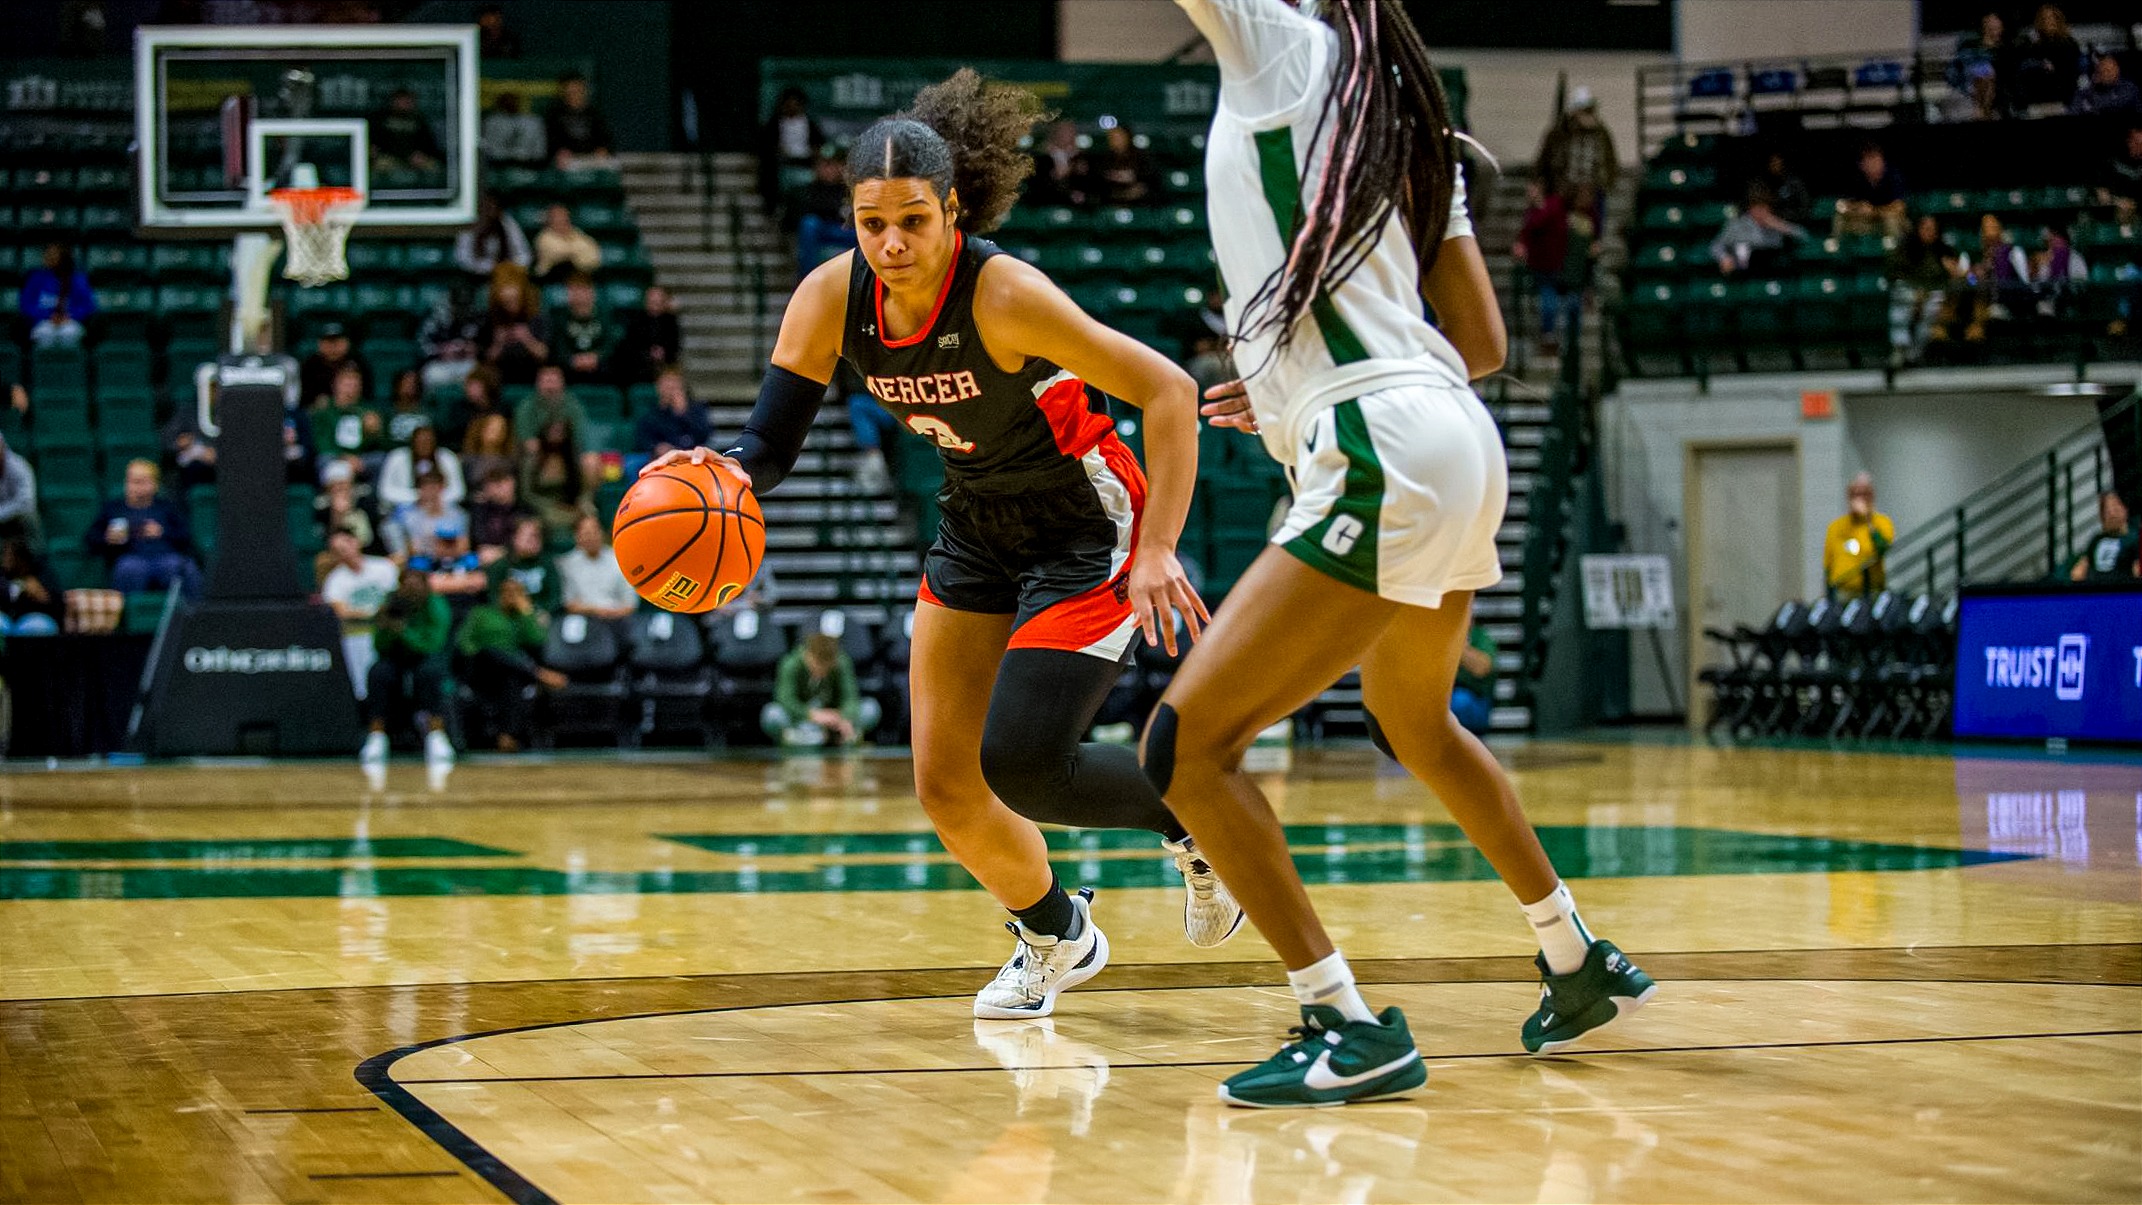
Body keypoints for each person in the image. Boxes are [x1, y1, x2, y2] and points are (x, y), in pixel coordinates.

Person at [642, 68, 1246, 1018]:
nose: (889, 241)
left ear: (952, 210)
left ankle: (1199, 816)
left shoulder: (1005, 295)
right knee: (944, 782)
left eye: (913, 220)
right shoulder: (828, 298)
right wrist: (716, 480)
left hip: (1087, 527)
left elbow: (1169, 390)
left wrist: (1162, 545)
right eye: (871, 219)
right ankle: (1058, 934)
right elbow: (768, 447)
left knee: (1024, 763)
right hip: (977, 523)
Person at [1152, 0, 1655, 1108]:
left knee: (1186, 750)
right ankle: (1574, 958)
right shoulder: (1408, 125)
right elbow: (1482, 344)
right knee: (1417, 719)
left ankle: (1344, 1018)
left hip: (1384, 444)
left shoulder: (1287, 49)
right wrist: (1295, 379)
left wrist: (1329, 381)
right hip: (1456, 435)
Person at [456, 575, 568, 751]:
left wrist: (526, 612)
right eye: (506, 592)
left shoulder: (521, 617)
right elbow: (464, 642)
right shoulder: (482, 613)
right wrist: (475, 652)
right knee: (492, 652)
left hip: (511, 672)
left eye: (515, 592)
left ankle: (507, 736)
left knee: (512, 679)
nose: (510, 596)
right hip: (481, 669)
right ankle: (538, 674)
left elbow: (537, 642)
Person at [359, 567, 456, 769]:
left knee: (430, 673)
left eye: (416, 585)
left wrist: (404, 632)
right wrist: (387, 626)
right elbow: (379, 646)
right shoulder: (391, 604)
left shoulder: (435, 604)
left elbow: (433, 644)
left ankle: (436, 734)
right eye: (406, 585)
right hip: (397, 658)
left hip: (427, 657)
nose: (411, 590)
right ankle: (377, 735)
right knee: (378, 672)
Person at [83, 460, 200, 596]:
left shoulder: (166, 508)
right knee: (130, 568)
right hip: (130, 558)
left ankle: (193, 614)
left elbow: (185, 537)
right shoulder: (114, 508)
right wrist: (108, 538)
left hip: (164, 557)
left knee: (182, 566)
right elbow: (90, 539)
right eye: (131, 481)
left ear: (154, 484)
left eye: (141, 482)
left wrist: (162, 532)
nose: (134, 487)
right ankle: (129, 615)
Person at [762, 630, 881, 746]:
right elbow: (786, 700)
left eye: (827, 667)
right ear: (807, 655)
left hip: (834, 718)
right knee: (772, 714)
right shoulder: (790, 663)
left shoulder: (842, 662)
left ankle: (814, 739)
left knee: (870, 708)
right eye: (818, 666)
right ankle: (815, 738)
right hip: (803, 720)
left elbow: (850, 697)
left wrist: (845, 717)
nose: (822, 671)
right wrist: (812, 715)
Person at [321, 527, 400, 697]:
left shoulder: (383, 567)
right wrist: (373, 612)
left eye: (347, 544)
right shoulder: (335, 580)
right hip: (357, 635)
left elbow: (394, 598)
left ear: (356, 542)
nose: (345, 551)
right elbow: (341, 611)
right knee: (363, 684)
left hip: (388, 630)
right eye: (338, 550)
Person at [1535, 85, 1618, 226]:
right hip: (1564, 191)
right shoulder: (1559, 133)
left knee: (1589, 231)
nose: (1590, 115)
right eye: (1585, 110)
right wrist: (1539, 182)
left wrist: (1606, 183)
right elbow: (1545, 158)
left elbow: (1610, 161)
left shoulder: (1601, 133)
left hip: (1592, 193)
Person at [1944, 212, 2030, 344]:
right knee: (1964, 288)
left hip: (2005, 297)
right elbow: (1966, 280)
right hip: (1972, 297)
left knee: (1983, 290)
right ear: (1981, 233)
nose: (1990, 233)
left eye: (1994, 228)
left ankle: (1977, 328)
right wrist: (1974, 276)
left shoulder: (2014, 252)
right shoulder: (1971, 255)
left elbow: (2024, 283)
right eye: (1986, 229)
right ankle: (1944, 329)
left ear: (2001, 230)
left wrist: (1995, 268)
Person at [1513, 181, 1578, 353]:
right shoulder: (1532, 211)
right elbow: (1526, 232)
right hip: (1539, 262)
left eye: (1532, 189)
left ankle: (1553, 332)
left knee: (1552, 296)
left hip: (1554, 261)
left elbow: (1540, 225)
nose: (1529, 193)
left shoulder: (1552, 207)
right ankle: (1549, 332)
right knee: (1547, 295)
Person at [1888, 214, 1959, 364]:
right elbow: (1894, 274)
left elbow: (1962, 279)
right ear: (1918, 230)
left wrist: (1954, 272)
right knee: (1900, 305)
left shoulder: (1944, 251)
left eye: (1933, 229)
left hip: (1933, 294)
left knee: (1931, 309)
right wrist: (1916, 294)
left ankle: (1915, 355)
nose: (1929, 232)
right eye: (1926, 229)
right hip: (1909, 292)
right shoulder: (1906, 248)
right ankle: (1900, 349)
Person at [1709, 184, 1811, 276]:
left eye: (1764, 207)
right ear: (1750, 208)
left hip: (1776, 272)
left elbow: (1804, 236)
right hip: (1744, 274)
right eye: (1757, 208)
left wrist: (1780, 226)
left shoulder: (1777, 223)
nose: (1761, 212)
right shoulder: (1737, 224)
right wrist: (1724, 258)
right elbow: (1716, 245)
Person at [309, 363, 386, 481]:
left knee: (381, 459)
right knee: (323, 460)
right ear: (335, 384)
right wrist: (345, 458)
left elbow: (378, 445)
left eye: (355, 383)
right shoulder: (324, 410)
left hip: (361, 459)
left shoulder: (369, 411)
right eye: (347, 382)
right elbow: (322, 444)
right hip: (334, 457)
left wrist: (373, 433)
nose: (351, 387)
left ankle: (371, 497)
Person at [520, 418, 591, 541]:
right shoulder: (533, 461)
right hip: (541, 508)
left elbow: (581, 489)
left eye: (560, 432)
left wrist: (581, 503)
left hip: (568, 506)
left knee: (589, 514)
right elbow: (527, 494)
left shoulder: (571, 461)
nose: (556, 436)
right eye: (553, 432)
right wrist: (551, 506)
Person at [1824, 472, 1894, 597]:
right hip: (1842, 591)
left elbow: (1882, 548)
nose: (1859, 499)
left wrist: (1868, 519)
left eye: (1864, 494)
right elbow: (1828, 565)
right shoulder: (1835, 526)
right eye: (1855, 494)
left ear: (1871, 496)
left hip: (1871, 591)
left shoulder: (1882, 522)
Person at [758, 86, 824, 218]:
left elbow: (819, 145)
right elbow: (768, 145)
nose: (792, 107)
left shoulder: (810, 124)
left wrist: (814, 154)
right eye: (788, 104)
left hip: (805, 162)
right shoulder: (775, 123)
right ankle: (775, 208)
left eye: (795, 104)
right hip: (782, 163)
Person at [558, 512, 637, 621]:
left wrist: (611, 613)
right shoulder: (567, 563)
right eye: (586, 533)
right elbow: (569, 604)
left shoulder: (618, 559)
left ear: (602, 533)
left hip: (617, 619)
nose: (591, 537)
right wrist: (596, 611)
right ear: (577, 536)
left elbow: (630, 604)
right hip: (584, 619)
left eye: (595, 532)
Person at [479, 265, 550, 385]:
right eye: (506, 302)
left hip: (533, 374)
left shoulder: (538, 317)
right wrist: (499, 343)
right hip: (499, 377)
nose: (511, 305)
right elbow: (485, 360)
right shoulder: (490, 318)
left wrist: (526, 339)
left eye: (514, 300)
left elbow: (544, 355)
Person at [18, 244, 94, 349]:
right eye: (47, 254)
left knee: (69, 333)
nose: (48, 257)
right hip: (42, 321)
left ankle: (70, 364)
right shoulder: (36, 277)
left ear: (63, 257)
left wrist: (70, 316)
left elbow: (87, 306)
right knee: (45, 333)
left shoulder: (77, 279)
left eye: (53, 254)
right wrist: (48, 315)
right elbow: (26, 305)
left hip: (70, 321)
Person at [384, 468, 467, 563]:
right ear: (419, 488)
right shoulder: (406, 515)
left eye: (435, 487)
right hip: (420, 561)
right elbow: (409, 548)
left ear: (442, 488)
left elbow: (463, 545)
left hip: (452, 558)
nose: (431, 491)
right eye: (426, 487)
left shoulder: (457, 513)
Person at [2009, 4, 2082, 111]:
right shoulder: (2032, 46)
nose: (2048, 22)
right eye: (2045, 18)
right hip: (2035, 101)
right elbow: (2023, 72)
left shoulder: (2069, 44)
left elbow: (2070, 74)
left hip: (2060, 100)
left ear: (2058, 20)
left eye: (2052, 18)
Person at [487, 515, 563, 615]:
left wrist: (544, 612)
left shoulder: (547, 563)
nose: (534, 541)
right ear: (515, 538)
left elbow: (555, 597)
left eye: (537, 536)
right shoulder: (500, 566)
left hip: (541, 617)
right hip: (509, 616)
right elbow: (494, 598)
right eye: (530, 536)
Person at [378, 425, 465, 510]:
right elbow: (384, 491)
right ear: (413, 442)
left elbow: (458, 491)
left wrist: (433, 498)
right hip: (403, 510)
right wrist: (418, 496)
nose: (424, 446)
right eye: (420, 442)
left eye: (428, 442)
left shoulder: (448, 457)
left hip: (441, 511)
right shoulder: (396, 457)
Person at [549, 273, 614, 384]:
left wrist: (597, 357)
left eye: (583, 290)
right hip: (568, 370)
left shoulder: (606, 315)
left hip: (600, 369)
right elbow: (558, 345)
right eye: (573, 290)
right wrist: (571, 359)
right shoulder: (558, 316)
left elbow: (610, 343)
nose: (579, 295)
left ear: (592, 292)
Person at [633, 366, 712, 456]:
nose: (670, 386)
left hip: (690, 456)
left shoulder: (696, 409)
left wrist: (682, 413)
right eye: (667, 381)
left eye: (674, 381)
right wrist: (656, 447)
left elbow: (703, 435)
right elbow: (642, 437)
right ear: (658, 385)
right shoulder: (650, 410)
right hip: (655, 456)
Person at [545, 72, 616, 169]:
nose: (573, 95)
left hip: (592, 157)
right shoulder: (554, 114)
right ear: (564, 93)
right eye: (569, 92)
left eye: (577, 91)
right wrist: (559, 151)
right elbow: (551, 141)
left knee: (611, 165)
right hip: (569, 159)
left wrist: (603, 149)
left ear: (584, 91)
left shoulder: (594, 114)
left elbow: (605, 138)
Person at [454, 194, 533, 279]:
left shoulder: (507, 223)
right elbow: (463, 258)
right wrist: (490, 267)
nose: (491, 213)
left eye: (494, 208)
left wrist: (509, 267)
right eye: (487, 209)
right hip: (475, 277)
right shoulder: (469, 225)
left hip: (505, 275)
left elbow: (525, 255)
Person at [1949, 11, 2010, 120]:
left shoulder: (2005, 49)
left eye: (1997, 27)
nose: (1994, 31)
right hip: (1972, 83)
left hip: (1998, 87)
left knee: (1987, 74)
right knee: (1983, 73)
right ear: (1984, 27)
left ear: (2002, 28)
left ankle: (1984, 111)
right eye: (1991, 27)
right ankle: (1982, 110)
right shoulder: (1970, 46)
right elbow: (1959, 67)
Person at [613, 286, 681, 383]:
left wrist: (663, 352)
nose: (655, 303)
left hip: (664, 364)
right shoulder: (636, 320)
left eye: (658, 300)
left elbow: (674, 345)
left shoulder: (670, 321)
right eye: (652, 300)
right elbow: (630, 345)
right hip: (638, 365)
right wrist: (648, 353)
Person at [313, 459, 382, 554]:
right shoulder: (321, 506)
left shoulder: (365, 497)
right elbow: (325, 539)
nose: (339, 488)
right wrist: (337, 515)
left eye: (343, 484)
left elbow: (375, 527)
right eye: (334, 485)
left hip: (371, 551)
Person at [466, 465, 531, 562]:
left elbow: (528, 541)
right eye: (491, 483)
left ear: (512, 483)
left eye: (501, 482)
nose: (496, 487)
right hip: (484, 557)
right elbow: (477, 538)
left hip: (516, 558)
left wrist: (502, 552)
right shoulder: (481, 509)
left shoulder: (525, 510)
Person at [369, 87, 441, 174]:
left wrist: (422, 155)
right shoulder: (380, 121)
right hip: (389, 159)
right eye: (401, 101)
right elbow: (375, 145)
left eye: (408, 101)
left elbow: (429, 144)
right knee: (381, 165)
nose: (404, 104)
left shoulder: (419, 122)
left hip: (415, 160)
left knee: (433, 167)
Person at [298, 322, 371, 407]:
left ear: (347, 343)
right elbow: (304, 400)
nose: (333, 346)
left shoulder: (359, 363)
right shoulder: (310, 366)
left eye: (337, 341)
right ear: (320, 344)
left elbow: (368, 397)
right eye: (328, 341)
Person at [0, 537, 62, 635]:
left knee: (36, 626)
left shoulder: (42, 574)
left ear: (20, 558)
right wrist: (19, 588)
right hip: (6, 618)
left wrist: (42, 596)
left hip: (35, 617)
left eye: (9, 555)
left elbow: (57, 602)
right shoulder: (3, 575)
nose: (5, 558)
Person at [2069, 490, 2137, 581]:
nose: (2112, 515)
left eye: (2115, 509)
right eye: (2107, 512)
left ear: (2124, 509)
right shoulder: (2096, 540)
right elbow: (2078, 571)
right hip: (2095, 590)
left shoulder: (2135, 540)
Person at [1087, 121, 1156, 205]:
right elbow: (1098, 180)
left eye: (1119, 136)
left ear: (1127, 137)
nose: (1115, 140)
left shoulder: (1141, 157)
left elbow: (1150, 177)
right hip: (1111, 199)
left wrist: (1133, 178)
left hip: (1138, 200)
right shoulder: (1103, 159)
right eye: (1112, 137)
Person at [531, 203, 602, 283]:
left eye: (564, 216)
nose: (561, 220)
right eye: (557, 217)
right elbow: (558, 254)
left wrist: (572, 253)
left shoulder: (577, 233)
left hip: (577, 277)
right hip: (550, 279)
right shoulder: (543, 238)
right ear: (549, 220)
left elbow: (594, 255)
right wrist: (578, 252)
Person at [1028, 119, 1090, 207]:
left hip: (1075, 203)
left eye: (1069, 132)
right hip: (1048, 201)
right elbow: (1038, 183)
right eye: (1062, 132)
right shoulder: (1041, 156)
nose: (1066, 136)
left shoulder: (1080, 156)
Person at [1450, 619, 1497, 735]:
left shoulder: (1480, 637)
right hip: (1442, 699)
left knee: (1460, 701)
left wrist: (1457, 644)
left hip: (1474, 701)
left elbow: (1482, 668)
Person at [442, 365, 505, 449]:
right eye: (468, 385)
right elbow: (454, 435)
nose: (469, 389)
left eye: (474, 385)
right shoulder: (459, 408)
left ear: (487, 385)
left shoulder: (501, 408)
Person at [480, 91, 547, 167]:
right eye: (506, 101)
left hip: (528, 166)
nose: (511, 103)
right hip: (498, 165)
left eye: (514, 100)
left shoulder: (533, 122)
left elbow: (540, 152)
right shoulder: (492, 121)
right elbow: (488, 149)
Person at [0, 434, 41, 553]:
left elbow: (27, 503)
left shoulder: (20, 467)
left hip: (17, 519)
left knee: (29, 517)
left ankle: (38, 562)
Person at [460, 414, 518, 496]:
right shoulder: (467, 460)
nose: (495, 432)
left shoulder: (510, 462)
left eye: (500, 429)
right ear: (481, 429)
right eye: (491, 428)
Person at [1756, 152, 1811, 227]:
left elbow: (1804, 205)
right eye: (1772, 163)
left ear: (1783, 164)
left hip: (1792, 222)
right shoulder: (1764, 183)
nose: (1775, 165)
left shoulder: (1794, 182)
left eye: (1777, 162)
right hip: (1769, 223)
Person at [2072, 54, 2139, 115]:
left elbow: (2113, 105)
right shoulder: (2090, 89)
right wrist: (2090, 87)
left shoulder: (2128, 87)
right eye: (2101, 71)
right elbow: (2076, 106)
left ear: (2117, 70)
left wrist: (2093, 105)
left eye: (2108, 71)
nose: (2105, 74)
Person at [2101, 124, 2142, 220]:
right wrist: (2118, 201)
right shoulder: (2112, 160)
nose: (2137, 147)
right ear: (2128, 141)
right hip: (2114, 207)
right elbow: (2102, 192)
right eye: (2134, 142)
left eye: (2140, 144)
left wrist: (2134, 204)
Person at [383, 369, 432, 447]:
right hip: (394, 452)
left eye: (412, 383)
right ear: (398, 385)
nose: (409, 386)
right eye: (406, 383)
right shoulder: (387, 412)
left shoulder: (428, 412)